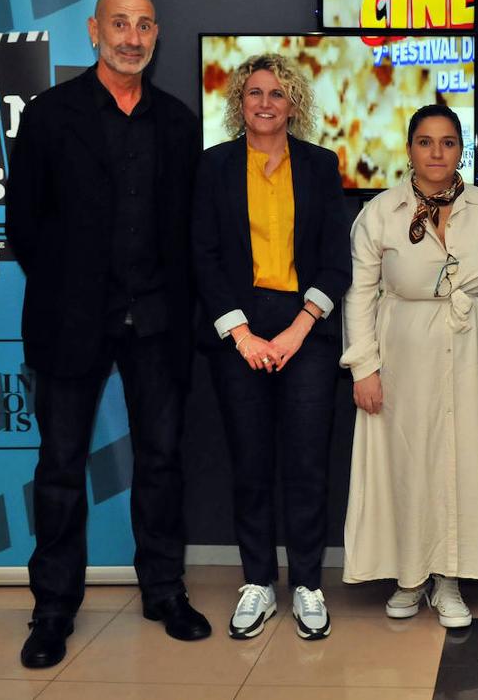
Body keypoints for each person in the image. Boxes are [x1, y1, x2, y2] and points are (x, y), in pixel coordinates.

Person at [6, 0, 210, 669]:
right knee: (61, 467)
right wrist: (71, 288)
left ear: (157, 35)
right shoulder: (48, 115)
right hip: (71, 321)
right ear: (94, 30)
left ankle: (164, 591)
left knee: (162, 463)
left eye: (144, 25)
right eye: (119, 24)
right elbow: (23, 224)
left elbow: (189, 230)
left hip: (157, 319)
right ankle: (53, 608)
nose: (132, 37)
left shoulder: (178, 123)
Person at [340, 104, 478, 629]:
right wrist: (363, 368)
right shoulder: (380, 212)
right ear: (409, 149)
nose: (436, 152)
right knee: (408, 463)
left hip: (475, 354)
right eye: (425, 142)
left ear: (461, 149)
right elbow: (360, 294)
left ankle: (450, 579)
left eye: (447, 142)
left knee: (466, 462)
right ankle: (409, 576)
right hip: (404, 356)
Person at [191, 54, 352, 641]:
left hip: (305, 328)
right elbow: (203, 254)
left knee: (307, 463)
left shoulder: (320, 165)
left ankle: (307, 584)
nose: (265, 102)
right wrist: (241, 334)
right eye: (255, 92)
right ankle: (257, 581)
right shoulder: (213, 165)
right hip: (238, 329)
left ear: (293, 104)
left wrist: (298, 328)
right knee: (250, 462)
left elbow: (336, 260)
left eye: (278, 93)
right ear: (240, 101)